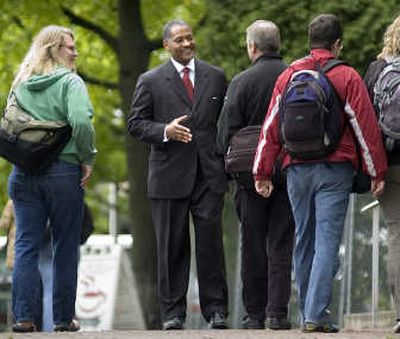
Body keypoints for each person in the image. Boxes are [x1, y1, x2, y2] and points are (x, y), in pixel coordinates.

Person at [253, 14, 387, 333]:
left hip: (296, 169)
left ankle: (309, 314)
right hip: (334, 170)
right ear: (337, 43)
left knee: (304, 239)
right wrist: (376, 170)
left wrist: (262, 171)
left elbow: (270, 126)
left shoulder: (289, 75)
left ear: (309, 41)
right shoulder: (347, 76)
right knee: (327, 241)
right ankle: (315, 314)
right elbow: (365, 128)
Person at [127, 19, 229, 330]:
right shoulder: (151, 80)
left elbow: (225, 123)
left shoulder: (216, 76)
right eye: (179, 40)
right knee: (171, 246)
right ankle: (172, 313)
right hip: (169, 177)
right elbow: (135, 123)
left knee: (210, 245)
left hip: (209, 176)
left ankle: (216, 311)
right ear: (166, 46)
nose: (186, 44)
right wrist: (165, 131)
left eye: (189, 38)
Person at [8, 25, 96, 333]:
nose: (75, 52)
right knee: (65, 246)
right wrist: (87, 158)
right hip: (63, 171)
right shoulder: (71, 82)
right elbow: (82, 122)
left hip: (24, 172)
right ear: (52, 50)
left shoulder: (21, 82)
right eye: (69, 47)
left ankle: (23, 318)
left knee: (26, 246)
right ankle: (61, 319)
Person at [217, 20, 294, 330]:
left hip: (249, 177)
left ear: (252, 47)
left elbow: (224, 133)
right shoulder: (294, 77)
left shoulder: (241, 82)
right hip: (288, 172)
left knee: (252, 244)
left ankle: (254, 314)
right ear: (278, 44)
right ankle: (278, 312)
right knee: (281, 242)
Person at [364, 15, 400, 333]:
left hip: (392, 161)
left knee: (397, 235)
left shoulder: (377, 71)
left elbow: (366, 123)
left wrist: (375, 168)